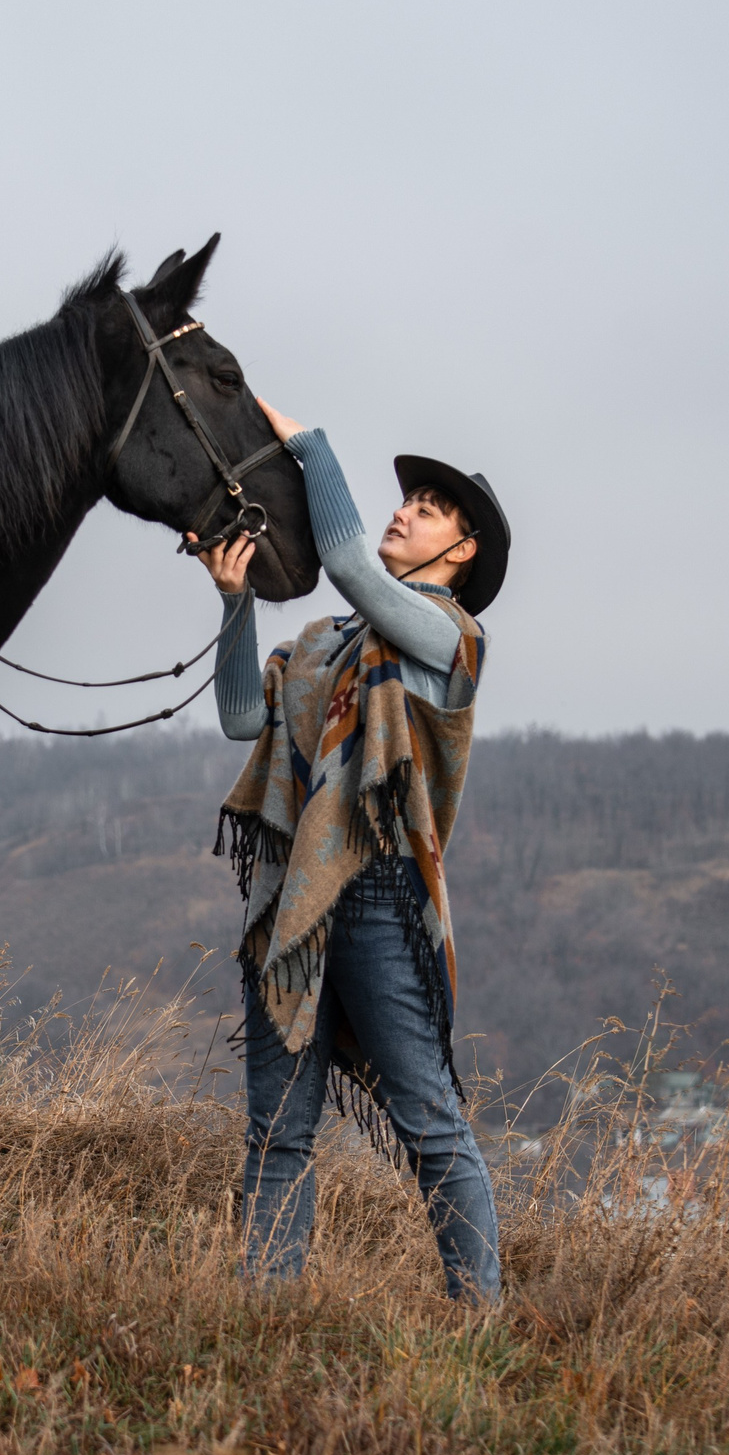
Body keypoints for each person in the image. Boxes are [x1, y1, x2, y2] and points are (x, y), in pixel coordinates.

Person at [192, 398, 511, 1304]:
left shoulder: (450, 637)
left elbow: (344, 562)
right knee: (276, 1131)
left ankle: (478, 1321)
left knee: (430, 1125)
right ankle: (267, 1319)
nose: (404, 509)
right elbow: (241, 720)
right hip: (293, 901)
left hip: (379, 899)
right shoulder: (325, 643)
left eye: (431, 508)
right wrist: (234, 604)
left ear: (464, 549)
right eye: (408, 497)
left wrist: (305, 446)